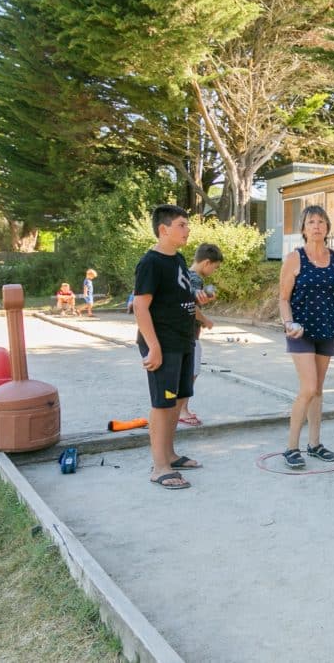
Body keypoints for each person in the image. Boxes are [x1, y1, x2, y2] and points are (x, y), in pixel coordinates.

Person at [278, 205, 334, 469]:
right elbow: (283, 298)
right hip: (301, 331)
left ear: (327, 228)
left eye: (322, 222)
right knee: (309, 387)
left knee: (318, 391)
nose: (317, 226)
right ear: (303, 228)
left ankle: (314, 444)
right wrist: (289, 323)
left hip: (327, 329)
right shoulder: (294, 258)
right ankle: (291, 447)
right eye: (311, 221)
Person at [132, 204, 202, 490]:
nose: (187, 230)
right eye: (182, 225)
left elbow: (179, 295)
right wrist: (153, 347)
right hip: (163, 344)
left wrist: (199, 302)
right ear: (164, 229)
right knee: (162, 403)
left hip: (183, 341)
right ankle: (158, 467)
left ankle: (170, 455)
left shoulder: (178, 259)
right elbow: (140, 306)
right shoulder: (151, 263)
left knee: (176, 400)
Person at [178, 243, 224, 427]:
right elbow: (192, 305)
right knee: (192, 372)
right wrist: (206, 320)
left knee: (189, 371)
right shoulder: (196, 279)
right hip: (191, 335)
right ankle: (182, 409)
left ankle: (182, 408)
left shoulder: (185, 275)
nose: (214, 270)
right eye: (215, 266)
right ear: (206, 262)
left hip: (186, 333)